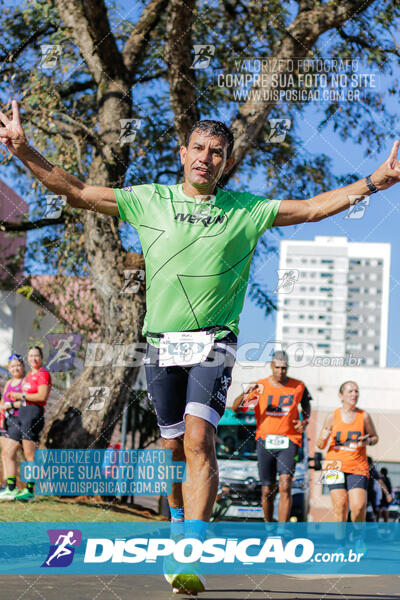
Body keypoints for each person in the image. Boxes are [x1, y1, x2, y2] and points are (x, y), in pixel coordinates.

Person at [2, 100, 400, 593]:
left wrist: (374, 181)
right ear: (182, 152)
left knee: (198, 439)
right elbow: (78, 190)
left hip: (214, 341)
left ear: (226, 162)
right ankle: (175, 521)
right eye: (198, 148)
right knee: (170, 447)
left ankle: (193, 547)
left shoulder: (245, 211)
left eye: (216, 152)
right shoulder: (150, 201)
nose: (206, 158)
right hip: (160, 344)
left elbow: (313, 207)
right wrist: (24, 150)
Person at [232, 350, 311, 522]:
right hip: (265, 440)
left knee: (285, 485)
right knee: (267, 489)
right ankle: (268, 526)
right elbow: (237, 409)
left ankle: (281, 532)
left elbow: (306, 405)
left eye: (284, 368)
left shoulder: (298, 386)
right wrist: (246, 392)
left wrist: (305, 421)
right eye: (278, 367)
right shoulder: (260, 387)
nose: (281, 372)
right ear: (271, 366)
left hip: (289, 439)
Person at [316, 381, 379, 522]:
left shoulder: (364, 416)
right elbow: (320, 445)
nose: (354, 394)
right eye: (350, 391)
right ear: (341, 395)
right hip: (334, 465)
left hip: (357, 465)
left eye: (356, 391)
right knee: (340, 506)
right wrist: (324, 436)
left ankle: (357, 538)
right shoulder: (332, 416)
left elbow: (375, 438)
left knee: (358, 506)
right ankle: (340, 544)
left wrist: (368, 441)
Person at [0, 346, 51, 501]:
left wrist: (18, 396)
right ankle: (11, 488)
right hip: (22, 416)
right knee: (7, 452)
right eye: (31, 356)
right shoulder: (30, 375)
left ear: (41, 357)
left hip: (31, 415)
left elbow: (41, 397)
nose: (33, 359)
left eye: (36, 356)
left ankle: (30, 491)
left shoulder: (43, 373)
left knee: (29, 455)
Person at [0, 354, 25, 499]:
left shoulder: (24, 383)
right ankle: (6, 485)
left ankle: (13, 487)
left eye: (18, 365)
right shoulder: (9, 383)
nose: (16, 368)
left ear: (23, 367)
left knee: (9, 453)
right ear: (9, 368)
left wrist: (11, 405)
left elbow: (27, 402)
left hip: (19, 420)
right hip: (6, 421)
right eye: (13, 366)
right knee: (5, 454)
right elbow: (3, 402)